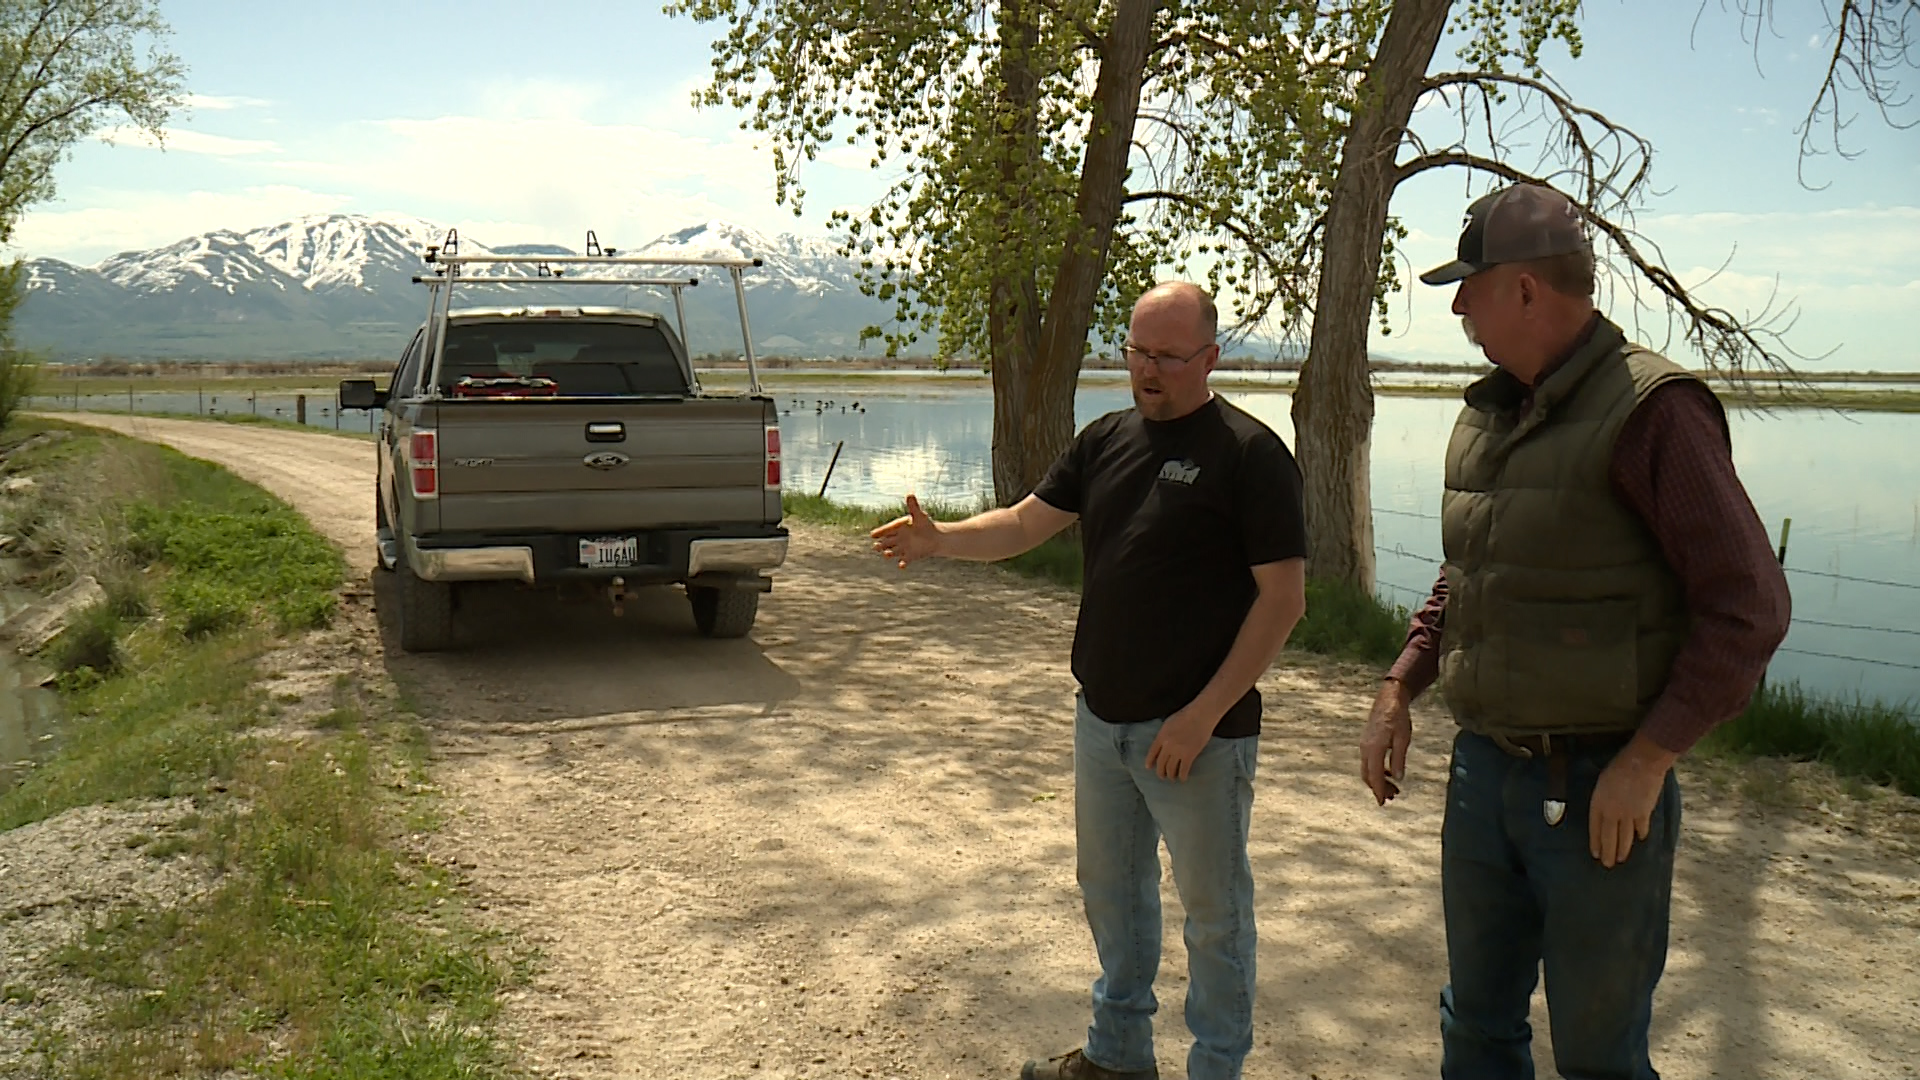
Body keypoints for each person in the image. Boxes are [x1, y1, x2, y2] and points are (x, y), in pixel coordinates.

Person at [1359, 184, 1792, 1079]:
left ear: (1524, 290)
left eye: (1468, 285)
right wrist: (1400, 684)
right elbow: (1474, 571)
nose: (1457, 307)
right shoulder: (1491, 411)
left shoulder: (1652, 410)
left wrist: (1648, 760)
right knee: (1475, 1027)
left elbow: (1749, 604)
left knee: (1598, 1056)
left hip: (1601, 792)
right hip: (1483, 776)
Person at [871, 282, 1309, 1080]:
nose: (1148, 369)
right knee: (1114, 899)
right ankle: (1116, 1058)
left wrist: (1203, 715)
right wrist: (943, 542)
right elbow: (1025, 523)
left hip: (1198, 739)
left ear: (1209, 359)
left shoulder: (1249, 455)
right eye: (1137, 351)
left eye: (1168, 356)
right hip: (1101, 724)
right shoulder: (1106, 439)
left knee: (1215, 921)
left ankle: (1217, 1067)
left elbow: (1284, 600)